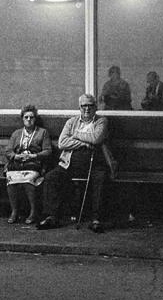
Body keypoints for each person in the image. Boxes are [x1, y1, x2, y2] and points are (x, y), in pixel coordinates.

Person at [38, 94, 113, 233]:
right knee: (51, 177)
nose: (87, 109)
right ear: (79, 108)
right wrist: (84, 143)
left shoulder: (101, 121)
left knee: (101, 179)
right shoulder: (71, 122)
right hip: (69, 164)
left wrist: (75, 135)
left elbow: (96, 138)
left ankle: (96, 219)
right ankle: (51, 216)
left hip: (95, 163)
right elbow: (62, 143)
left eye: (90, 105)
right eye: (84, 106)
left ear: (95, 107)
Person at [4, 105, 52, 224]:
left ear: (35, 119)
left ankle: (33, 211)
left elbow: (48, 150)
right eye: (26, 117)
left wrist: (34, 156)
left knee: (29, 180)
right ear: (22, 119)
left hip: (34, 164)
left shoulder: (42, 132)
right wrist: (16, 156)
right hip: (17, 164)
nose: (29, 120)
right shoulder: (16, 133)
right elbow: (8, 151)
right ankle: (15, 211)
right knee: (11, 179)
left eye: (32, 117)